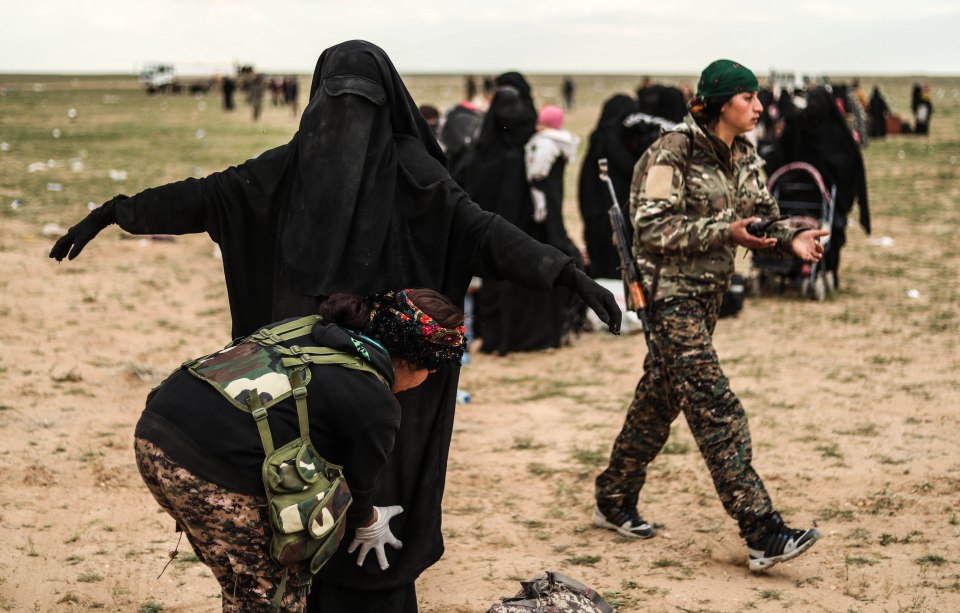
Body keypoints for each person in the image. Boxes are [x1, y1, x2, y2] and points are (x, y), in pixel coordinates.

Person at [49, 40, 621, 612]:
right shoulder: (284, 170)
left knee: (380, 487)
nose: (347, 119)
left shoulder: (417, 177)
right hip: (295, 375)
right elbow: (204, 198)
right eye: (337, 100)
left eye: (362, 103)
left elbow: (485, 233)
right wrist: (117, 212)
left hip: (392, 369)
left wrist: (567, 274)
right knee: (287, 489)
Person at [592, 59, 828, 572]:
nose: (760, 107)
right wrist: (727, 231)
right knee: (715, 406)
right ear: (721, 102)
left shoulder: (744, 154)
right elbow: (651, 230)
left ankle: (613, 495)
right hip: (668, 296)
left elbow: (761, 215)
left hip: (708, 299)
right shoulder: (671, 152)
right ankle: (762, 531)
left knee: (660, 399)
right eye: (749, 98)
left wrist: (792, 239)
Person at [135, 289, 465, 612]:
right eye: (430, 371)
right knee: (273, 596)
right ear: (410, 361)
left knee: (243, 579)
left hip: (154, 435)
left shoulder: (307, 327)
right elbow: (354, 491)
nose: (427, 379)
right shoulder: (375, 403)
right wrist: (370, 520)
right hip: (208, 475)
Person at [455, 74, 583, 355]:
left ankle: (498, 336)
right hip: (523, 232)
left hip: (492, 234)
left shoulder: (484, 151)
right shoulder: (526, 147)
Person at [776, 85, 870, 290]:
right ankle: (821, 271)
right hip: (813, 203)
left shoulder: (801, 128)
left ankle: (811, 270)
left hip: (799, 201)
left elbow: (779, 156)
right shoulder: (835, 135)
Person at [577, 94, 642, 279]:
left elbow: (584, 193)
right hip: (618, 228)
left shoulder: (596, 144)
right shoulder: (625, 150)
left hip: (597, 227)